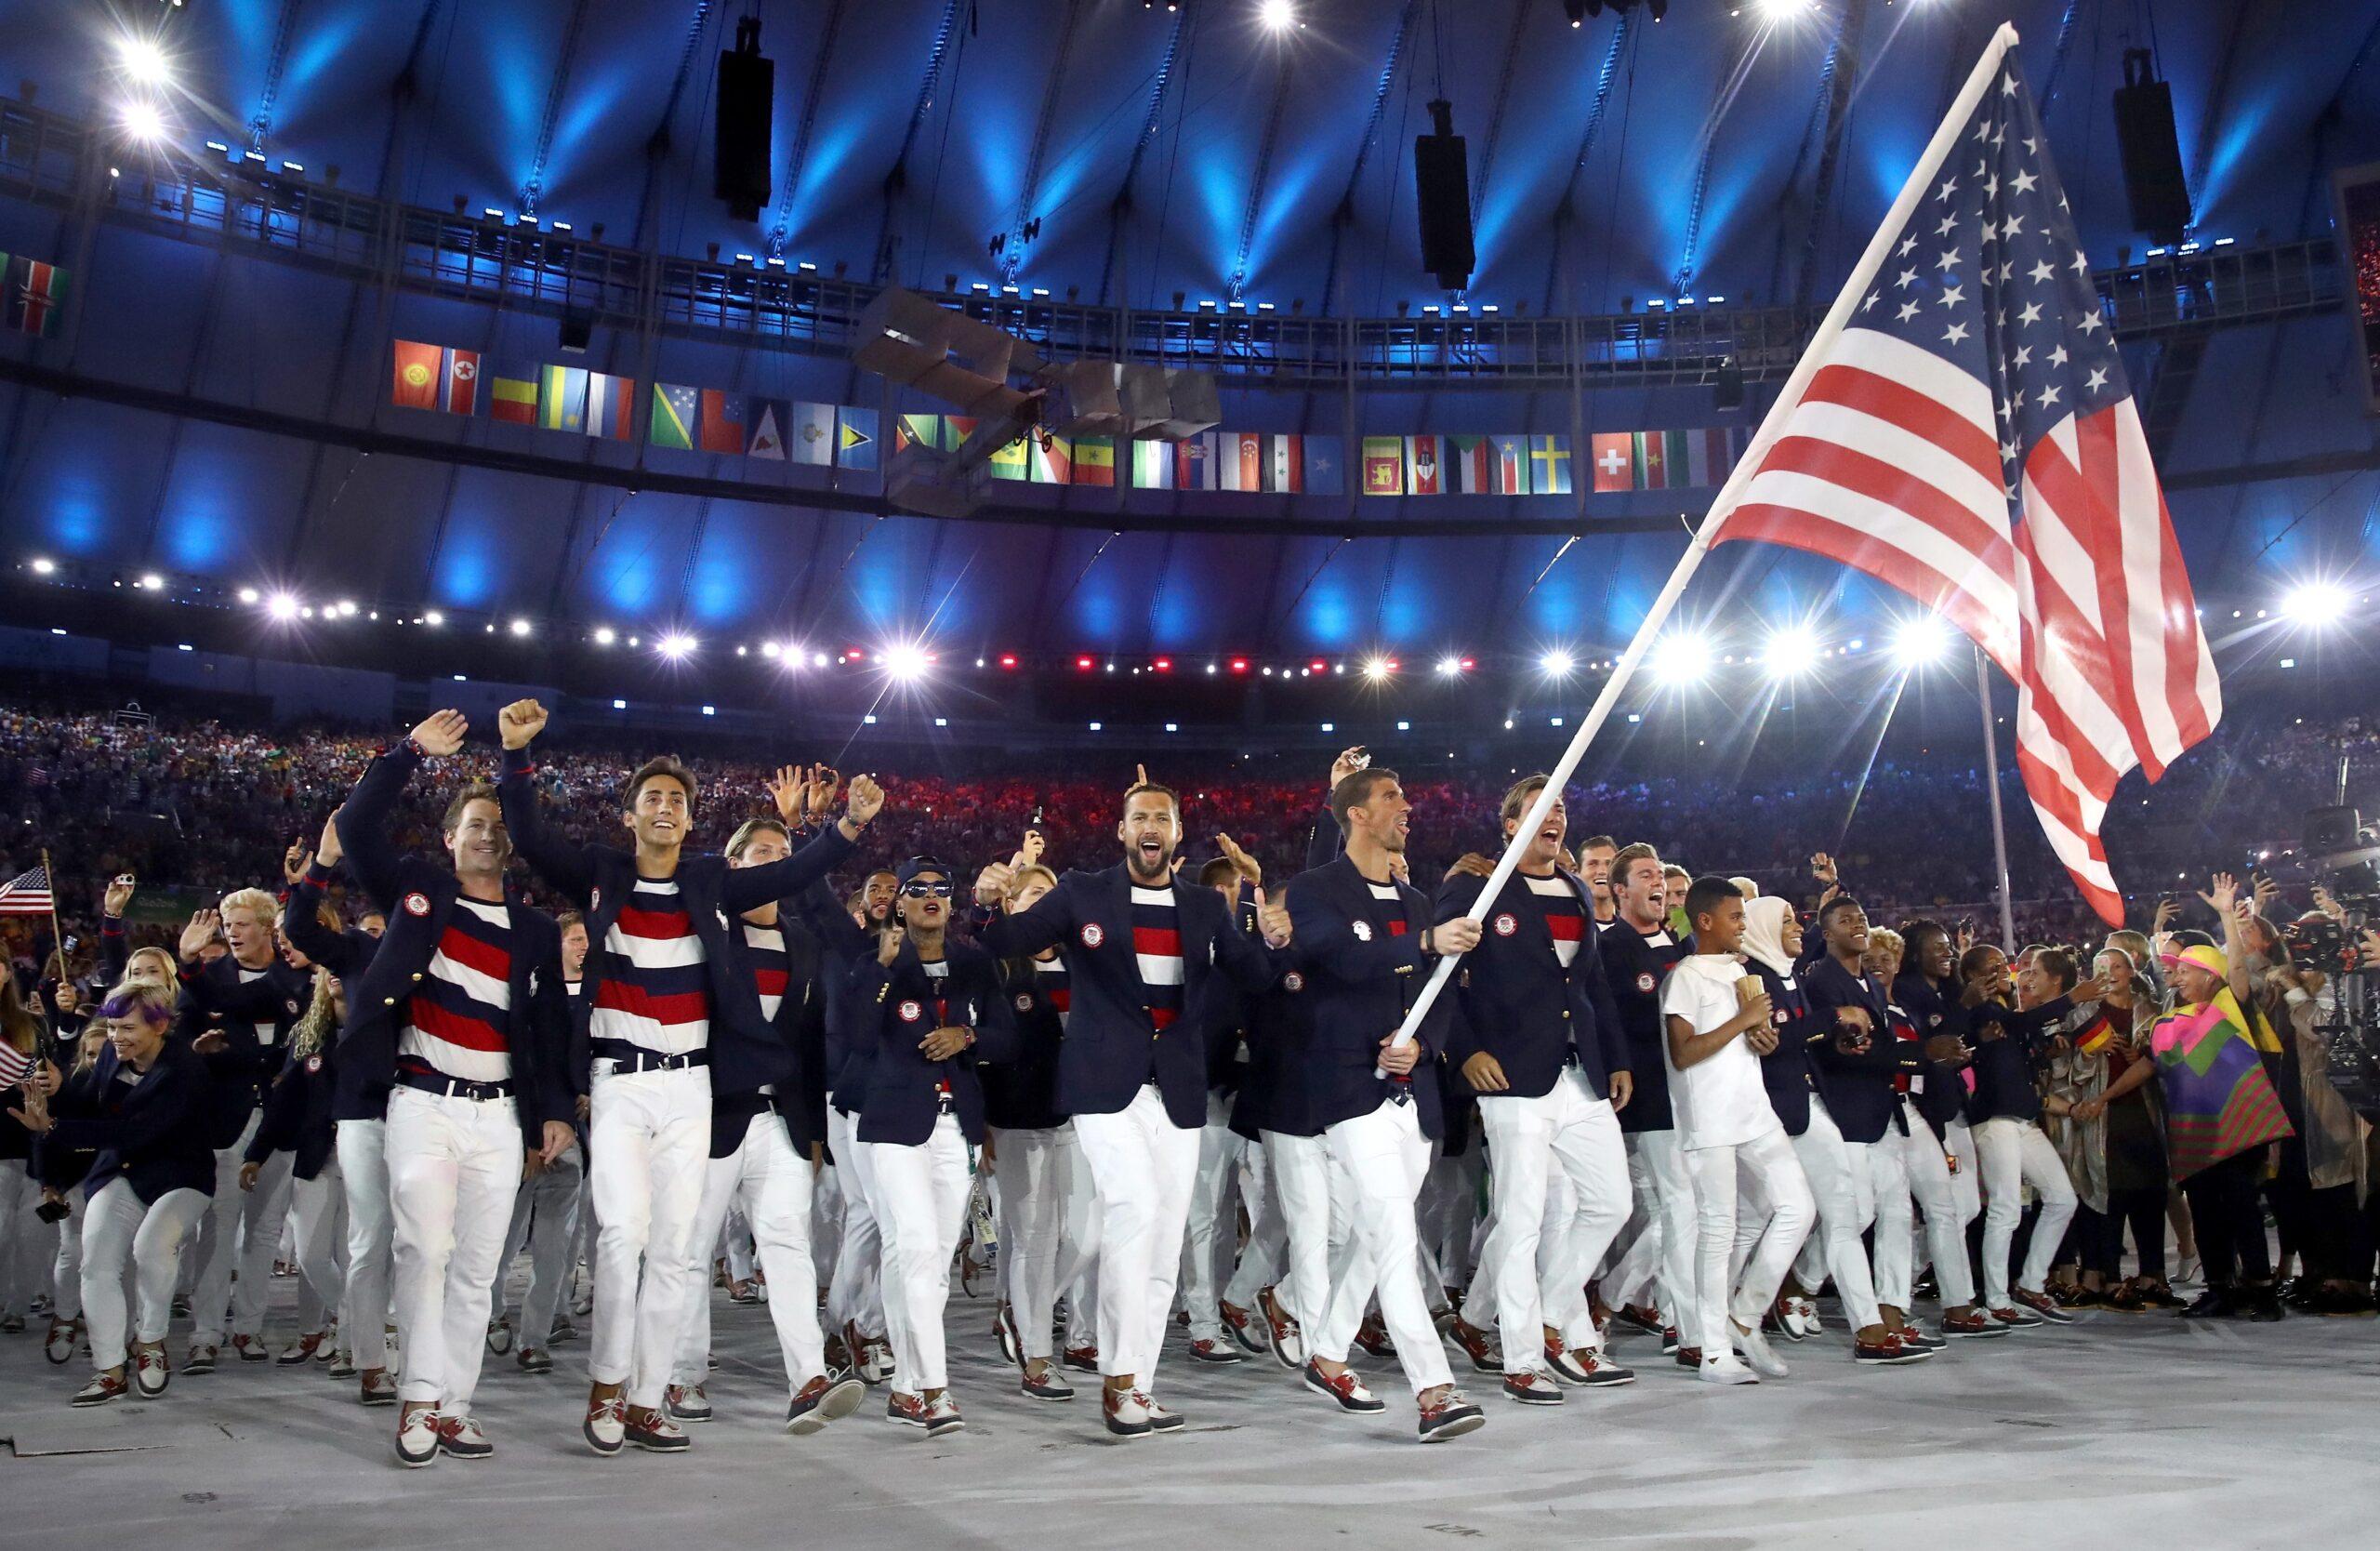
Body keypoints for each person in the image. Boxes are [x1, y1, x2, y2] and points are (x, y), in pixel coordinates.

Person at [496, 699, 877, 1456]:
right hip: (621, 1084)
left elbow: (793, 871)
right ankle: (608, 1385)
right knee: (623, 1235)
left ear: (691, 819)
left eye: (677, 798)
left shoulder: (710, 883)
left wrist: (846, 828)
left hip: (691, 1089)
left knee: (673, 1249)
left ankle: (647, 1398)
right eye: (653, 798)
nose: (666, 807)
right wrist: (515, 756)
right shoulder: (601, 872)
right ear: (630, 816)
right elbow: (532, 837)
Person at [970, 778, 1287, 1439]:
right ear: (1122, 830)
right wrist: (985, 905)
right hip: (1105, 1086)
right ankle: (1117, 1379)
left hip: (1178, 1089)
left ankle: (1137, 1384)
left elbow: (1257, 976)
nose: (1150, 826)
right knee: (1133, 1211)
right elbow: (1006, 940)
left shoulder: (1204, 904)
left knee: (1165, 1242)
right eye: (1139, 816)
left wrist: (1266, 924)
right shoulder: (1082, 891)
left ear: (1176, 833)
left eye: (1162, 818)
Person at [333, 711, 576, 1466]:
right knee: (422, 1251)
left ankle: (456, 1406)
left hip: (499, 1118)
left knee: (477, 1269)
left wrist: (555, 1112)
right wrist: (408, 753)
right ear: (449, 839)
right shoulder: (417, 891)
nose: (488, 836)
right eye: (474, 825)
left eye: (498, 826)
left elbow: (548, 1031)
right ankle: (418, 1397)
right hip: (422, 1105)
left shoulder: (536, 932)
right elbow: (355, 826)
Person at [1283, 765, 1485, 1443]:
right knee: (1395, 1230)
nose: (1408, 807)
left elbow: (1443, 995)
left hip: (1412, 1095)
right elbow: (1338, 957)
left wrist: (1423, 1047)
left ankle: (1326, 1354)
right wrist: (1424, 943)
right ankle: (1434, 1389)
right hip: (1349, 1088)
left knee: (1376, 1236)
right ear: (1358, 814)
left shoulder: (1420, 901)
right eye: (1393, 797)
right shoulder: (1315, 890)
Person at [667, 796, 866, 1436]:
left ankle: (808, 1379)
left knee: (788, 1246)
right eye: (762, 853)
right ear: (734, 864)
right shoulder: (703, 932)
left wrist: (813, 1131)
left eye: (784, 854)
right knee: (690, 1250)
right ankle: (683, 1371)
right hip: (710, 1116)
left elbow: (808, 1042)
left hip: (780, 1120)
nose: (777, 863)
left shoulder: (803, 942)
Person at [1441, 776, 1634, 1404]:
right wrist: (1465, 1051)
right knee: (1522, 1221)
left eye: (1561, 807)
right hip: (1512, 1077)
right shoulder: (1476, 887)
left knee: (1610, 1203)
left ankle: (1544, 1316)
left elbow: (1593, 985)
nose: (1554, 816)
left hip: (1580, 1075)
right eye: (1538, 807)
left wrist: (1616, 1058)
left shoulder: (1576, 889)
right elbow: (1440, 978)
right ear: (1509, 824)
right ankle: (1522, 1359)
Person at [853, 856, 1018, 1436]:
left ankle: (905, 1387)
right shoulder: (876, 962)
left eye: (940, 889)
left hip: (955, 1126)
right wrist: (880, 968)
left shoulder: (974, 962)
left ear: (950, 902)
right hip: (894, 1124)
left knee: (929, 1261)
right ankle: (933, 1388)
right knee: (919, 1248)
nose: (930, 896)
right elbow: (851, 1035)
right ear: (899, 903)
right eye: (917, 888)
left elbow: (1007, 1037)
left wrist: (966, 1035)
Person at [11, 980, 214, 1406]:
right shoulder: (109, 1054)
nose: (117, 1037)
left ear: (159, 1026)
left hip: (180, 1176)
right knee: (96, 1264)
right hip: (120, 1171)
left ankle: (151, 1341)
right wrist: (57, 1096)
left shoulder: (185, 1069)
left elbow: (133, 1132)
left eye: (128, 1028)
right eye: (112, 1027)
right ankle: (109, 1370)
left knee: (151, 1248)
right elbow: (89, 1106)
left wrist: (55, 1127)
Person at [1739, 895, 1913, 1364]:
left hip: (1810, 1104)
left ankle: (1860, 1325)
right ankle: (1731, 1314)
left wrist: (1835, 1038)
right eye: (1787, 922)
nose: (1800, 928)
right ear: (1763, 928)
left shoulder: (1788, 975)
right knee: (1755, 1222)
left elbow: (1801, 1039)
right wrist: (1833, 1018)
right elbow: (1770, 1042)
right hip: (1778, 1111)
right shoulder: (1754, 977)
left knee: (1835, 1214)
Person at [1660, 877, 1815, 1385]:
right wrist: (1743, 1020)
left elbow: (1748, 1041)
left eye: (1744, 917)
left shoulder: (1740, 971)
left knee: (1798, 1208)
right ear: (1705, 921)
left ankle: (1744, 1316)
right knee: (1717, 1231)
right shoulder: (1686, 977)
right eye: (1735, 917)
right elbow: (1683, 1053)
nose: (1743, 926)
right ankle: (1712, 1352)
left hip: (1754, 1111)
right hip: (1709, 1120)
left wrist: (1761, 1038)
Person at [174, 887, 311, 1371]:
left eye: (242, 924)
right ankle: (206, 1333)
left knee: (265, 1231)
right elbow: (181, 1034)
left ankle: (248, 1328)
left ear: (269, 927)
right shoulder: (208, 977)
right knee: (218, 1228)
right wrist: (198, 1052)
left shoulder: (294, 975)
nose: (232, 932)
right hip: (225, 1120)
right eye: (228, 925)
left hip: (280, 1119)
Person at [983, 859, 1100, 1401]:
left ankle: (1022, 1310)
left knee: (1088, 1235)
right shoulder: (998, 969)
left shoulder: (1083, 964)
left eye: (1049, 896)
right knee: (1034, 1239)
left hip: (1081, 1115)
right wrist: (982, 1122)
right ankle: (1036, 1357)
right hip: (1018, 1119)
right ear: (1011, 907)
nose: (1042, 905)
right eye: (1030, 895)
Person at [2152, 918, 2293, 1320]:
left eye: (2185, 971)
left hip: (2237, 1131)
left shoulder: (2231, 1006)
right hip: (2193, 1132)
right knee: (2205, 1213)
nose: (2177, 978)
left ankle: (2262, 1292)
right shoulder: (2171, 1021)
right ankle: (2218, 1290)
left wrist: (2228, 914)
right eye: (2176, 971)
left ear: (2211, 976)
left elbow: (2237, 971)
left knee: (2242, 1211)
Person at [1597, 844, 1697, 1359]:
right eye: (1645, 875)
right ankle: (1684, 1325)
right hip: (1648, 1095)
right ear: (1620, 890)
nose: (1658, 882)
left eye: (1659, 873)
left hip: (1690, 1091)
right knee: (1679, 1206)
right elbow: (1608, 1021)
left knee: (1678, 1208)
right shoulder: (1611, 947)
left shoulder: (1681, 943)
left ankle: (1618, 1297)